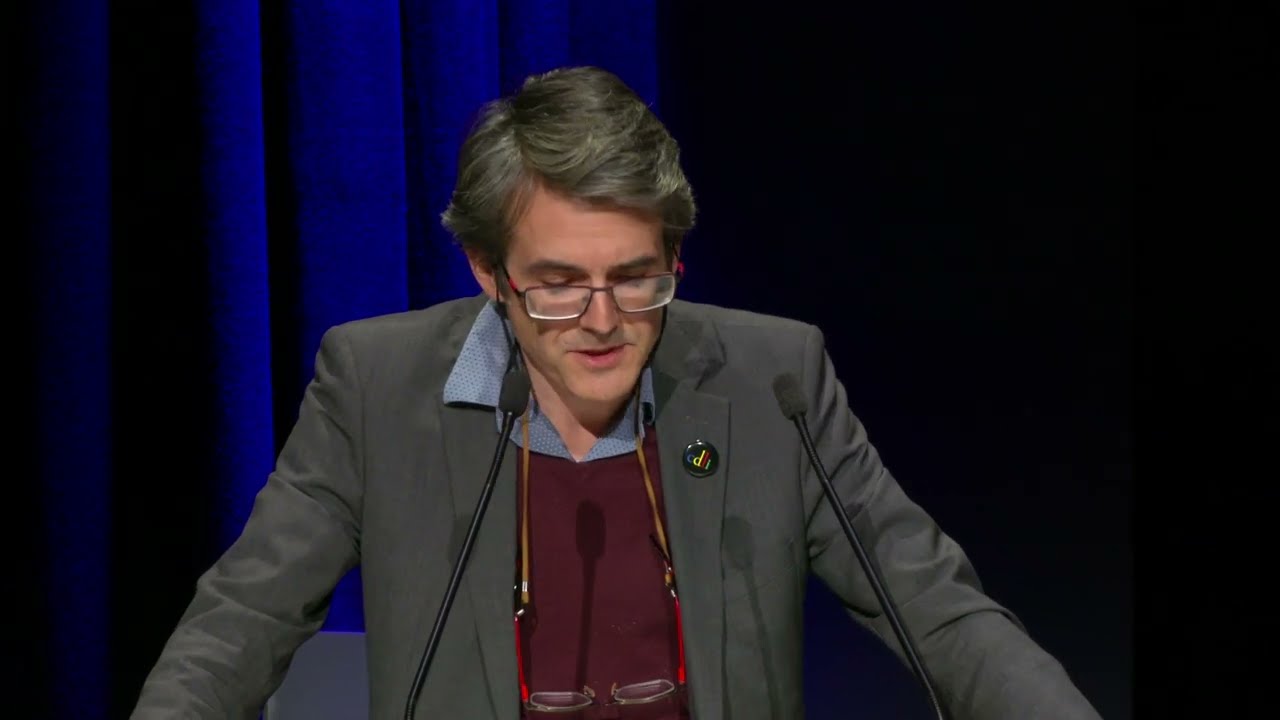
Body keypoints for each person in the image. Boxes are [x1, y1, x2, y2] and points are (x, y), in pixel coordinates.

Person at [131, 66, 1102, 720]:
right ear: (488, 271)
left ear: (674, 259)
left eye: (635, 278)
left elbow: (935, 609)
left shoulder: (772, 380)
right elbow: (242, 622)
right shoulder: (376, 387)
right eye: (557, 284)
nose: (601, 320)